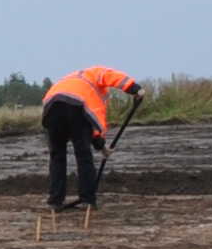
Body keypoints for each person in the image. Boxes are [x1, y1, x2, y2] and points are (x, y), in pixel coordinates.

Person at [40, 65, 143, 210]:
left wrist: (101, 146)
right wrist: (135, 89)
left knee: (57, 156)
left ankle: (55, 201)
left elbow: (90, 127)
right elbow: (95, 122)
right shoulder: (95, 76)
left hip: (51, 107)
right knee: (83, 155)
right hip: (76, 106)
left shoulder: (70, 79)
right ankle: (87, 200)